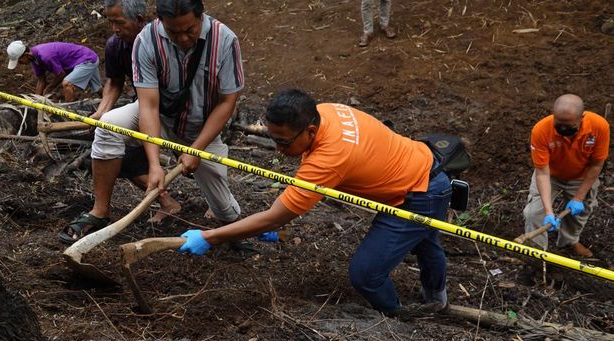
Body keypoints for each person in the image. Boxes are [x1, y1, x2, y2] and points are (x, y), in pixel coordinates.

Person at [177, 89, 452, 317]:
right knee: (425, 239)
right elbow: (289, 202)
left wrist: (210, 237)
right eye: (272, 139)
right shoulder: (325, 111)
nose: (278, 149)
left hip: (418, 194)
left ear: (309, 130)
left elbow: (276, 217)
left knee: (365, 274)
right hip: (423, 165)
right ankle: (437, 297)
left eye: (283, 142)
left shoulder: (329, 158)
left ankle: (397, 316)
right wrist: (270, 218)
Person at [59, 0, 246, 243]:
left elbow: (226, 102)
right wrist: (155, 164)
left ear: (201, 17)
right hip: (159, 115)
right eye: (173, 32)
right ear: (160, 22)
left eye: (189, 30)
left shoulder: (225, 40)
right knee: (109, 124)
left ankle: (235, 226)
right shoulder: (146, 40)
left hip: (202, 127)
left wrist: (196, 149)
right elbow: (148, 104)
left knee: (225, 211)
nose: (183, 38)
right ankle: (100, 211)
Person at [523, 94, 610, 257]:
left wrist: (578, 197)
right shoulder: (541, 130)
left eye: (569, 126)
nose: (563, 131)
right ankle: (536, 252)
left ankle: (569, 241)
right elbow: (542, 172)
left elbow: (597, 165)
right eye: (559, 125)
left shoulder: (599, 126)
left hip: (581, 176)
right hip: (550, 175)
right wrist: (549, 212)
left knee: (579, 213)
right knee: (533, 213)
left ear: (581, 118)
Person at [6, 41, 100, 102]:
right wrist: (36, 101)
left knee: (67, 83)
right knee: (98, 89)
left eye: (19, 61)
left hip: (86, 59)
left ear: (26, 55)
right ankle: (110, 106)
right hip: (84, 59)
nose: (20, 64)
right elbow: (41, 80)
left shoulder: (45, 56)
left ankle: (69, 113)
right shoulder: (34, 59)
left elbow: (61, 74)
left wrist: (48, 88)